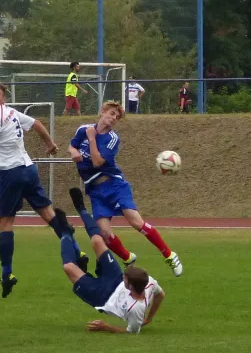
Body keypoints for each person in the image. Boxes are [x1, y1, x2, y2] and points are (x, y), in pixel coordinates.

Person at [0, 83, 89, 298]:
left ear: (3, 98)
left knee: (6, 223)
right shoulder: (12, 112)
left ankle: (7, 273)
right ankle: (77, 250)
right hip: (29, 169)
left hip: (10, 173)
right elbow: (36, 123)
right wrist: (50, 143)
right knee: (49, 214)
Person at [67, 101, 183, 276]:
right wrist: (72, 151)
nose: (114, 118)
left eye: (117, 117)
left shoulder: (112, 139)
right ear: (102, 112)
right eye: (112, 113)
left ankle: (169, 254)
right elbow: (72, 145)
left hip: (114, 185)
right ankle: (128, 258)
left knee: (136, 222)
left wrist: (91, 139)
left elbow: (98, 162)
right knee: (105, 233)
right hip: (95, 190)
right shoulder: (83, 129)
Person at [56, 188, 165, 334]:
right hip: (114, 278)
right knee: (97, 241)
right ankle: (81, 208)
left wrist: (106, 327)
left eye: (125, 277)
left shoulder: (136, 310)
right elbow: (161, 295)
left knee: (69, 267)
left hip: (103, 297)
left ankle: (65, 232)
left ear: (130, 286)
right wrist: (150, 318)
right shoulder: (149, 282)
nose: (124, 274)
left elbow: (131, 333)